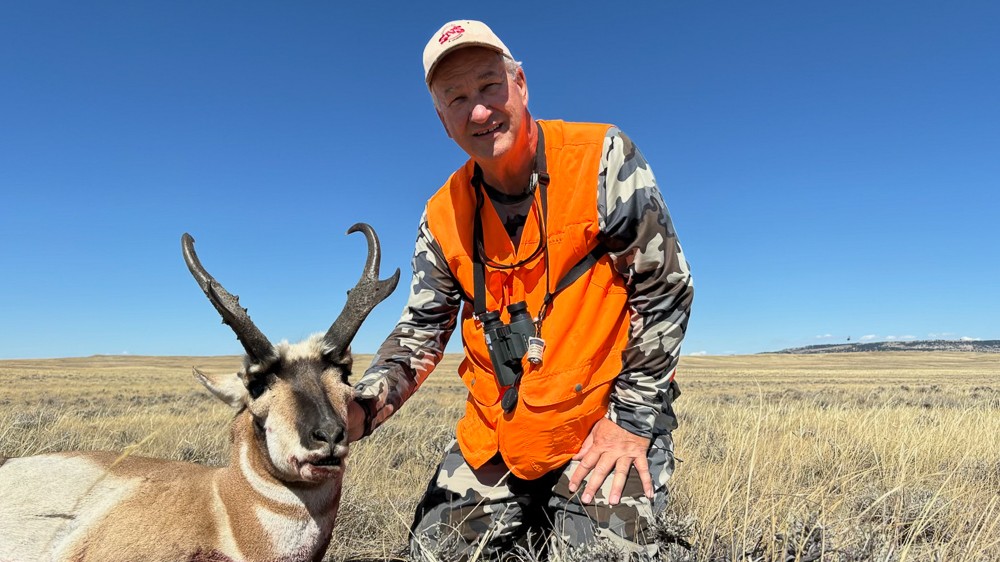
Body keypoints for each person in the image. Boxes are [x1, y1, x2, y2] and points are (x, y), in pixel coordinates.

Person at [348, 20, 694, 561]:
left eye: (489, 86)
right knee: (432, 554)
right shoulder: (443, 216)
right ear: (442, 121)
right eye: (456, 98)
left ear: (521, 84)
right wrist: (359, 408)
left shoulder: (602, 159)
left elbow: (665, 290)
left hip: (598, 424)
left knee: (599, 557)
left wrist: (629, 424)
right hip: (499, 433)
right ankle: (529, 503)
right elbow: (420, 331)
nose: (479, 110)